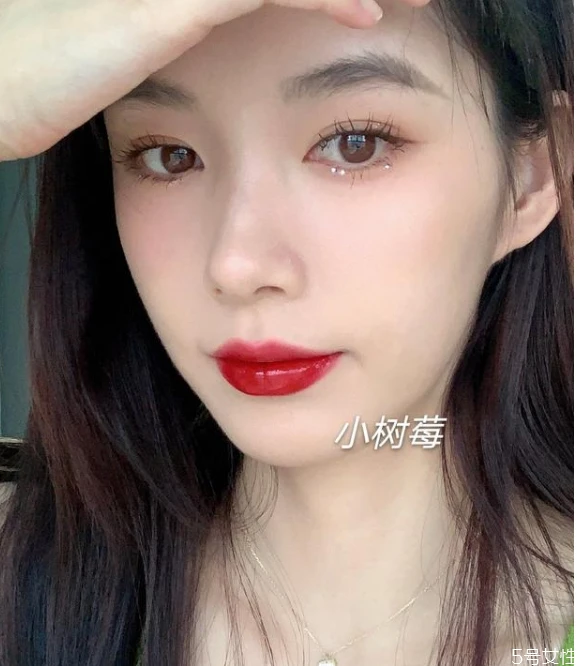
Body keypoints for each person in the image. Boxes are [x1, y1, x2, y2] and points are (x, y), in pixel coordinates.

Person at [0, 0, 573, 664]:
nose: (237, 265)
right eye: (169, 155)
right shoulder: (24, 579)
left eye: (354, 144)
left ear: (532, 178)